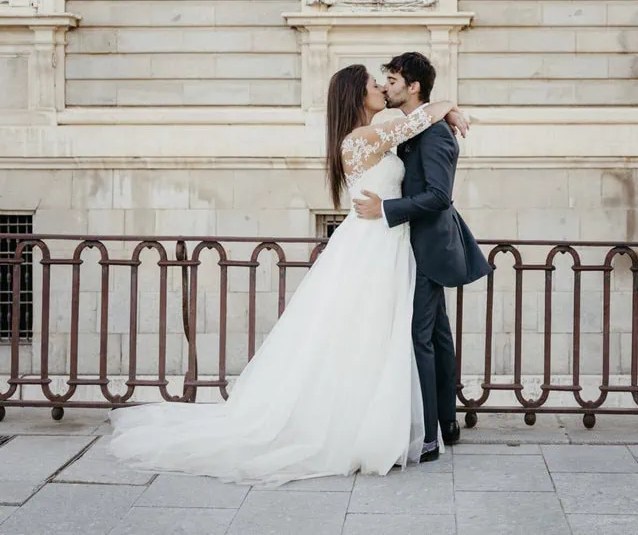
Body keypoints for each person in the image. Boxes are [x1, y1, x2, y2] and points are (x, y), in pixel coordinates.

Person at [108, 62, 471, 485]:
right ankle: (376, 425)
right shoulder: (364, 137)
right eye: (375, 84)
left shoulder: (366, 135)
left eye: (385, 82)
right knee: (371, 331)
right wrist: (448, 106)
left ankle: (384, 418)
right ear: (357, 95)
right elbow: (419, 118)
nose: (381, 89)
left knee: (371, 334)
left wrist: (443, 110)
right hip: (374, 242)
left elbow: (416, 124)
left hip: (382, 241)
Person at [352, 52, 492, 462]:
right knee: (437, 337)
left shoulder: (435, 135)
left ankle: (430, 435)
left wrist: (386, 210)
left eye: (393, 80)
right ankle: (445, 423)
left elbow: (437, 196)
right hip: (408, 246)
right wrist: (446, 107)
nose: (387, 86)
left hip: (428, 246)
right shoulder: (417, 127)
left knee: (421, 337)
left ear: (413, 87)